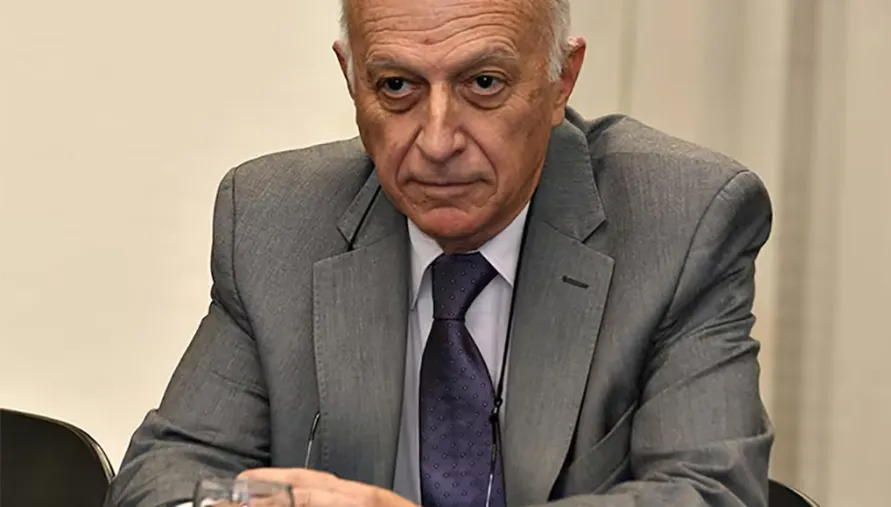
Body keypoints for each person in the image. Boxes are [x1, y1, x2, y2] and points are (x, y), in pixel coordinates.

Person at [106, 0, 774, 506]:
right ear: (351, 80)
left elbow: (708, 492)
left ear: (561, 81)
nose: (436, 141)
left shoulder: (680, 220)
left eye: (483, 83)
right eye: (397, 86)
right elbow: (163, 478)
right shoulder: (274, 218)